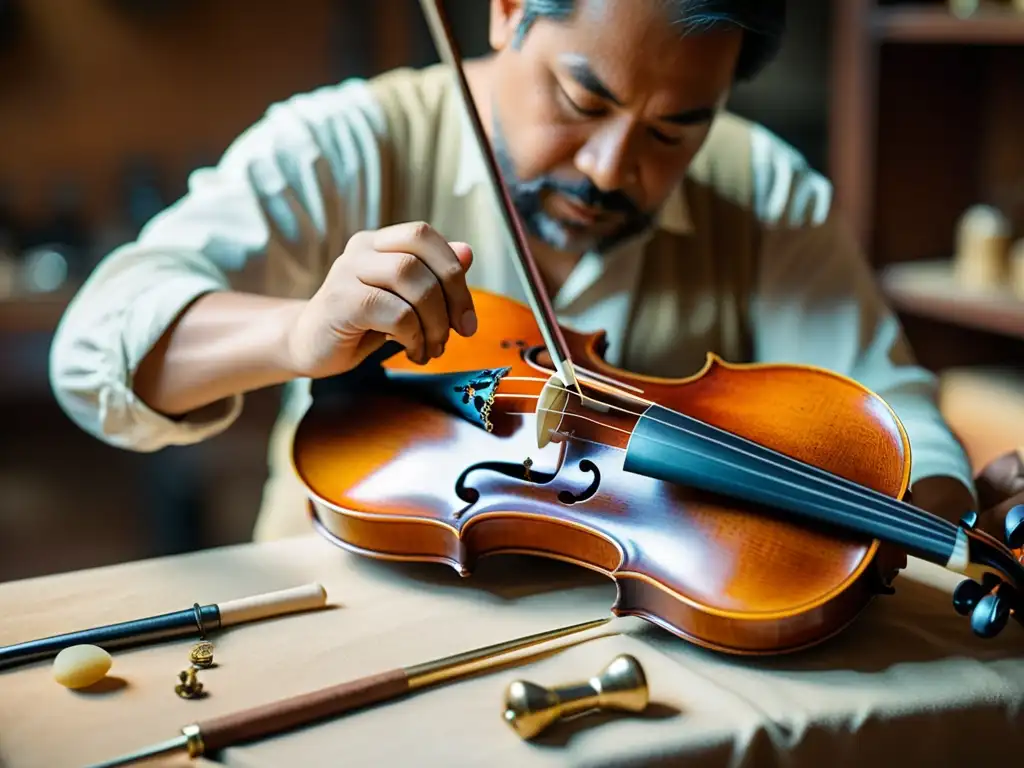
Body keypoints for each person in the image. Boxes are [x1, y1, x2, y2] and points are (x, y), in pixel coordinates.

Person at [49, 0, 990, 544]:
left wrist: (946, 523)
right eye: (584, 99)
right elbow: (97, 345)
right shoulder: (347, 139)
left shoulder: (765, 188)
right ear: (507, 12)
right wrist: (297, 336)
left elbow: (895, 415)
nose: (614, 168)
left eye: (674, 130)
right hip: (340, 617)